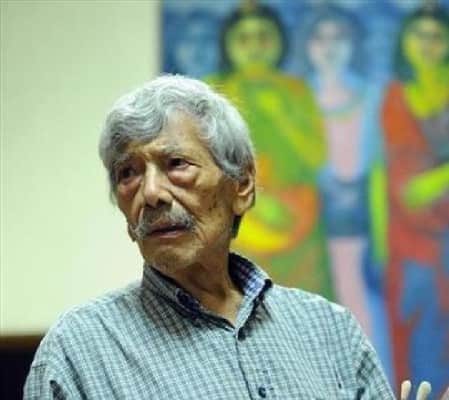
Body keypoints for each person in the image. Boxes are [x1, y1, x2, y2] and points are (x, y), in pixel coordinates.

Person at [23, 75, 396, 399]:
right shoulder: (78, 351)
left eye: (176, 165)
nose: (150, 193)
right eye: (128, 174)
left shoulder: (329, 331)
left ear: (242, 185)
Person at [207, 4, 333, 298]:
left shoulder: (296, 91)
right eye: (244, 39)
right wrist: (256, 203)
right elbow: (205, 165)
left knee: (302, 308)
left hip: (298, 219)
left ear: (279, 41)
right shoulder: (214, 92)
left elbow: (317, 158)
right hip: (241, 222)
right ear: (228, 45)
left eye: (264, 37)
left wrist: (282, 116)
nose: (255, 48)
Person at [298, 4, 392, 381]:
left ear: (354, 44)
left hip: (359, 235)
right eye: (320, 38)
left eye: (339, 38)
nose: (330, 47)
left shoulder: (372, 97)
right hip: (308, 236)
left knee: (364, 321)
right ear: (307, 45)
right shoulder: (295, 97)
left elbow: (382, 172)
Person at [381, 4, 449, 398]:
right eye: (418, 35)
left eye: (436, 36)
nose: (427, 44)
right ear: (404, 43)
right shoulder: (395, 99)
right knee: (418, 335)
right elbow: (405, 188)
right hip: (411, 241)